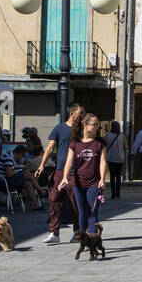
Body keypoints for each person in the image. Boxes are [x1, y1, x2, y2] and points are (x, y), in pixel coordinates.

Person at [36, 103, 83, 244]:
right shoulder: (59, 128)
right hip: (59, 171)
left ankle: (77, 232)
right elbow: (50, 148)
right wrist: (42, 165)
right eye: (81, 112)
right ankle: (54, 233)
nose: (82, 115)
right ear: (72, 113)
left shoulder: (82, 129)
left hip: (75, 172)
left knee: (76, 204)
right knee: (54, 201)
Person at [59, 113, 107, 239]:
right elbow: (68, 162)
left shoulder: (100, 143)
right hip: (78, 182)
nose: (97, 127)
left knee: (93, 211)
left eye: (98, 124)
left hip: (94, 182)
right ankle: (83, 237)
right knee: (82, 212)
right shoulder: (75, 143)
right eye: (95, 124)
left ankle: (92, 238)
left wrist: (102, 179)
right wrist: (64, 177)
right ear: (85, 125)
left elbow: (102, 162)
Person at [103, 120, 127, 199]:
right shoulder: (122, 136)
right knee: (118, 175)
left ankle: (113, 193)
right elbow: (126, 147)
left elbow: (104, 144)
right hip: (120, 157)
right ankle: (118, 193)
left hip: (110, 157)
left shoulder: (107, 135)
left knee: (112, 176)